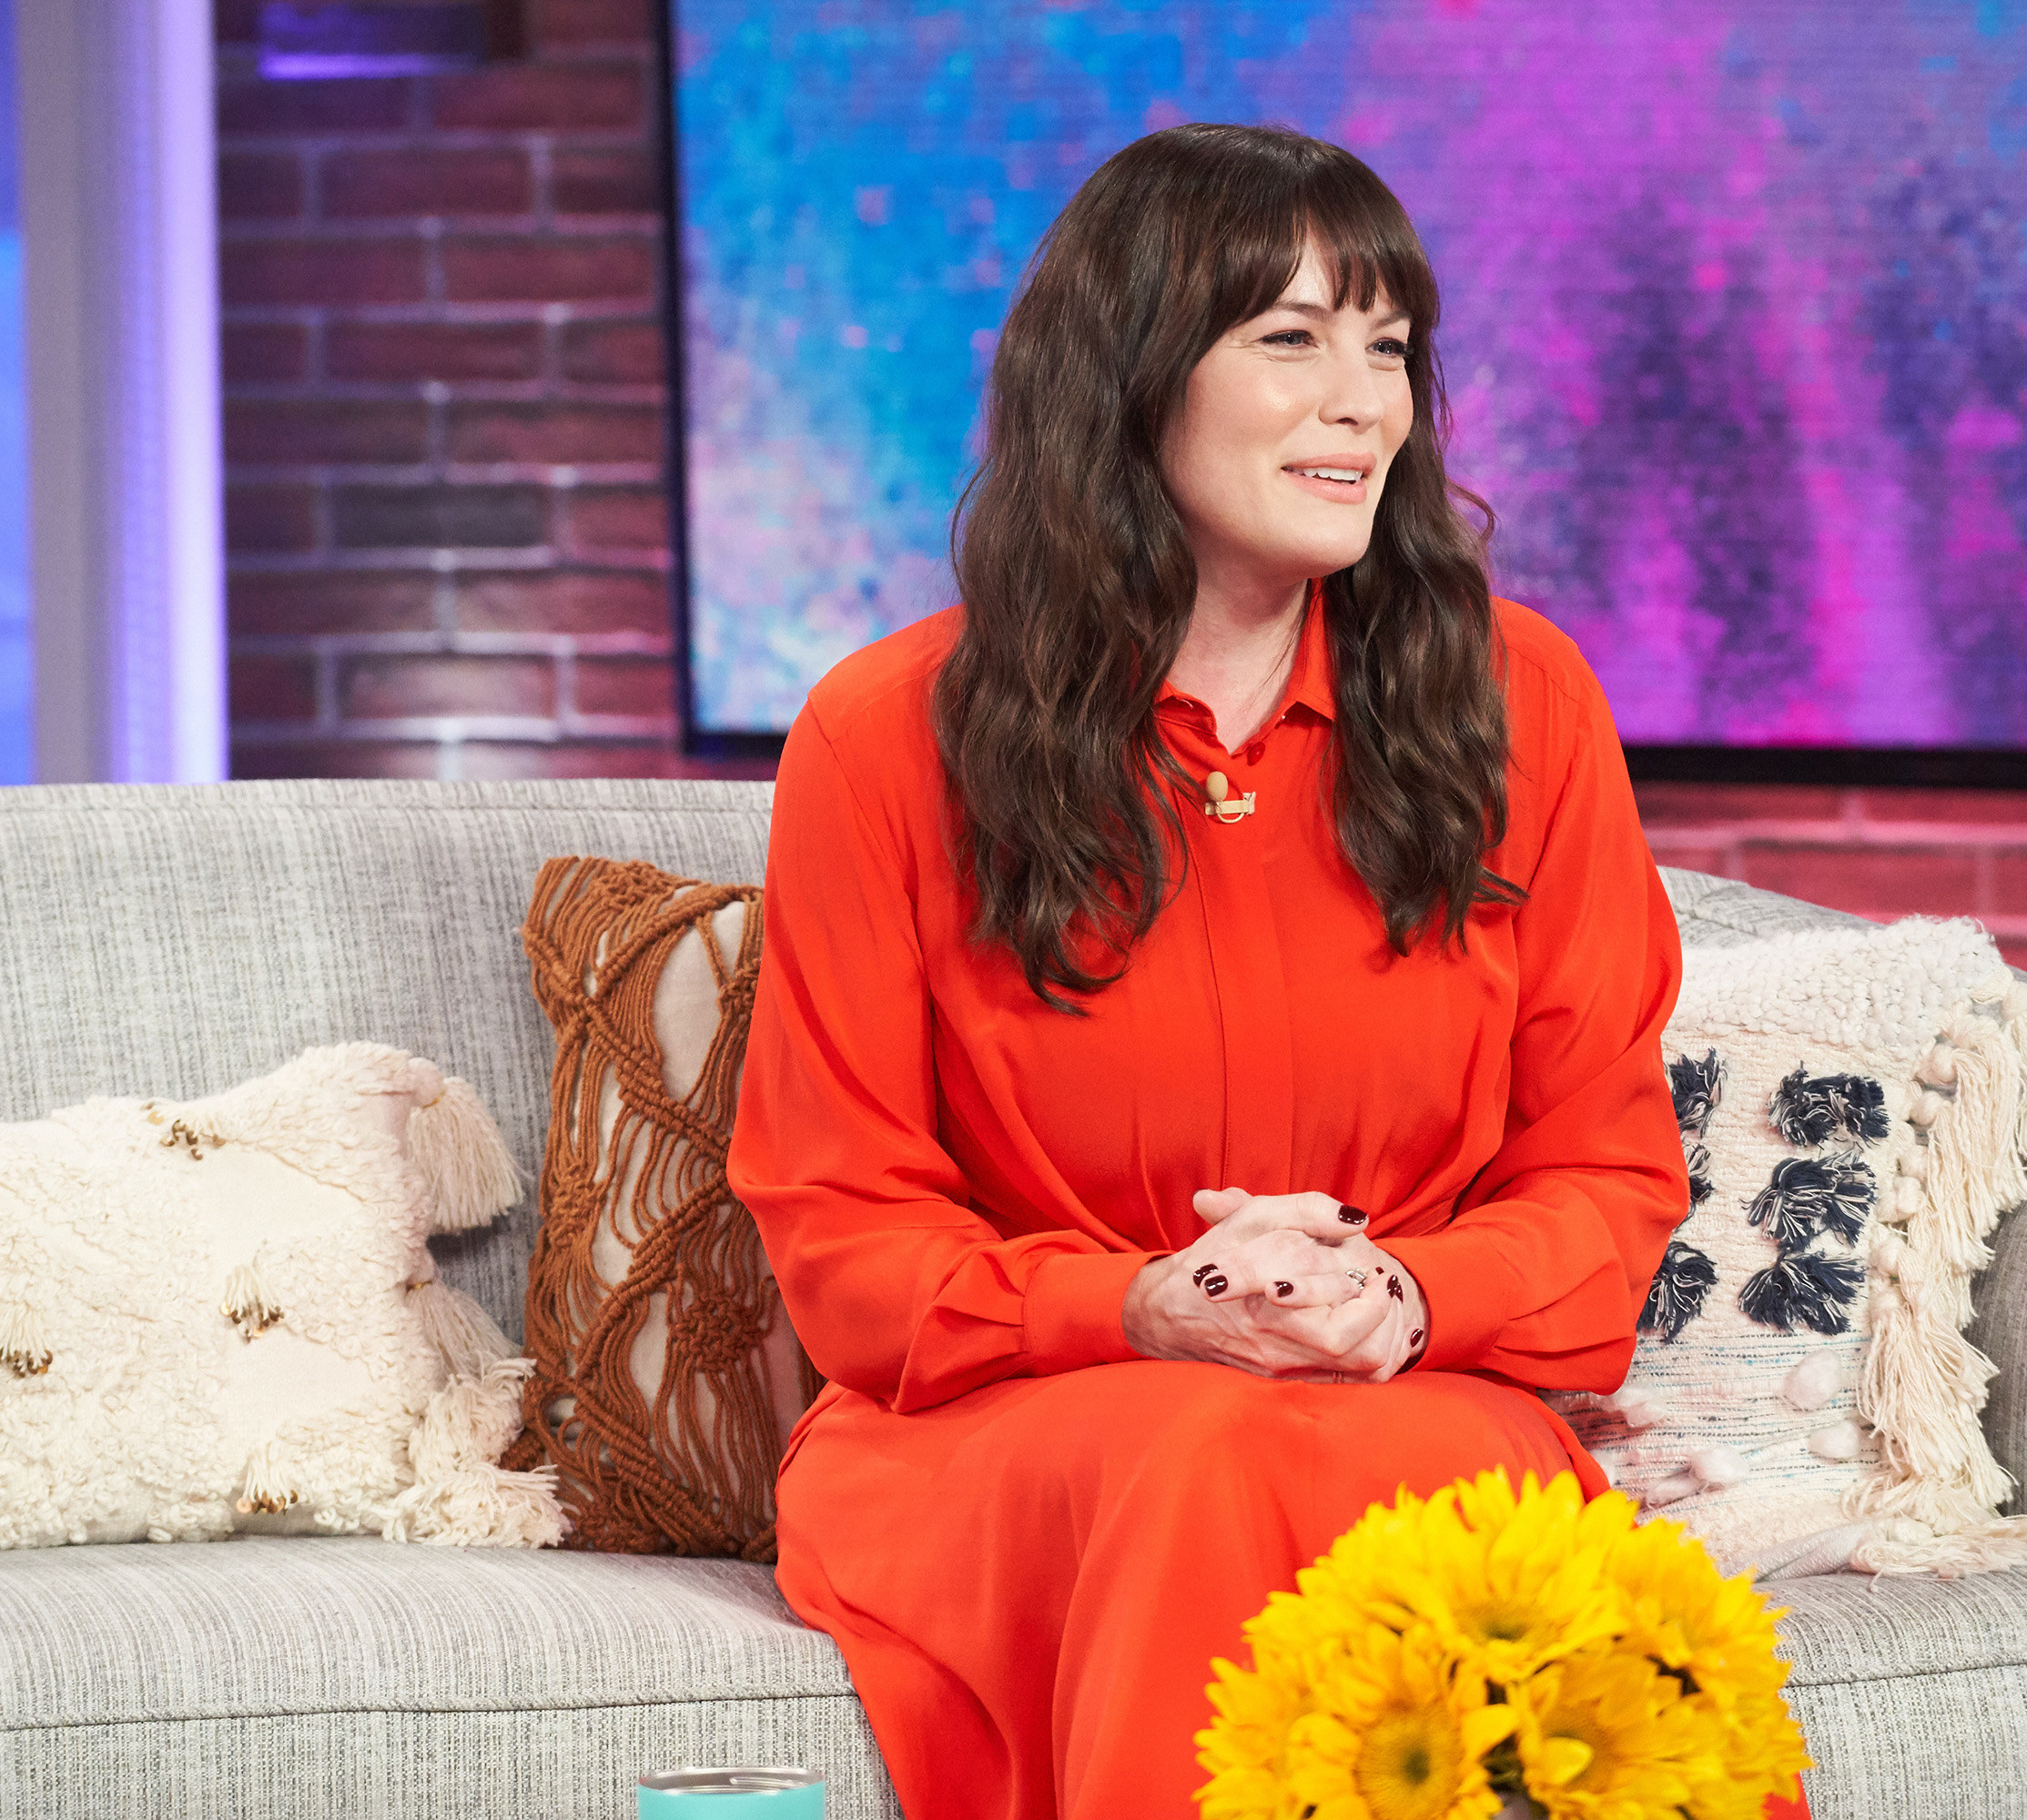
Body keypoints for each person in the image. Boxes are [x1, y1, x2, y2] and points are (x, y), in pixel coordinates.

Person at [728, 122, 1803, 1820]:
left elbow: (1604, 1177)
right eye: (1291, 339)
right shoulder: (888, 740)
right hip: (1026, 1421)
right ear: (1130, 381)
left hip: (1413, 1387)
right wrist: (1146, 1304)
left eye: (1389, 350)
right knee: (1201, 1451)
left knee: (1452, 1488)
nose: (1364, 402)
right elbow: (847, 1241)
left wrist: (1411, 1299)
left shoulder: (1523, 704)